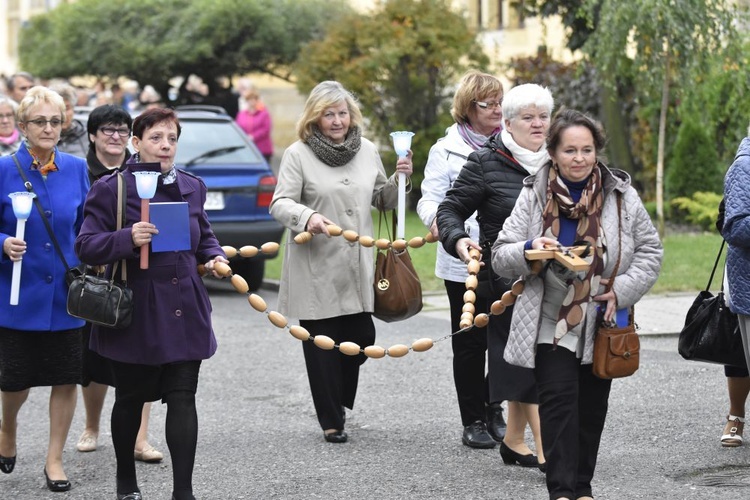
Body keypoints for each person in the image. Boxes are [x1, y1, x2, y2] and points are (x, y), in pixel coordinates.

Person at [492, 109, 662, 500]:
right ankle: (562, 491)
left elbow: (651, 251)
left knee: (590, 411)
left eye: (587, 150)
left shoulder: (621, 195)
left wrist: (621, 289)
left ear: (597, 151)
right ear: (552, 152)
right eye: (570, 150)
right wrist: (532, 248)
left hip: (603, 320)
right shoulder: (533, 193)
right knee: (558, 408)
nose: (579, 158)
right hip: (551, 320)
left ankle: (582, 488)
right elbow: (501, 254)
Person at [75, 107, 229, 500]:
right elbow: (85, 245)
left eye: (172, 139)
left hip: (185, 306)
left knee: (183, 395)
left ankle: (184, 492)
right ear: (136, 142)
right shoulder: (112, 188)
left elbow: (205, 235)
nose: (165, 146)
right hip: (137, 309)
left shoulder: (194, 185)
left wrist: (215, 258)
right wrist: (127, 238)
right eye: (156, 138)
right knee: (130, 397)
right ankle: (126, 481)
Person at [269, 80, 413, 444]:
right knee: (321, 344)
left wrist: (401, 178)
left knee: (362, 336)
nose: (337, 121)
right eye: (329, 114)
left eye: (343, 113)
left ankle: (339, 399)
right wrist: (307, 217)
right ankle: (331, 420)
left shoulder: (366, 149)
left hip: (358, 264)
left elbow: (382, 198)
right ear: (315, 118)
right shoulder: (297, 154)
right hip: (316, 263)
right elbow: (280, 202)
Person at [437, 83, 554, 466]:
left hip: (558, 280)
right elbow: (450, 209)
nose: (538, 124)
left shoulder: (560, 158)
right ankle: (549, 451)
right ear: (508, 122)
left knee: (530, 362)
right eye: (528, 117)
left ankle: (515, 441)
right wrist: (457, 241)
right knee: (531, 361)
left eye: (543, 116)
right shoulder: (486, 161)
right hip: (507, 280)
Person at [0, 86, 90, 492]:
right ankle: (7, 426)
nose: (49, 128)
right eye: (40, 121)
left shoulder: (76, 167)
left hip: (66, 297)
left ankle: (55, 459)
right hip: (17, 295)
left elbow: (87, 225)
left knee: (65, 378)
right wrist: (2, 243)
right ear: (22, 126)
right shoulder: (4, 169)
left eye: (56, 121)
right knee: (14, 381)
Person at [418, 70, 506, 449]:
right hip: (462, 260)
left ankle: (494, 404)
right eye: (491, 104)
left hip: (505, 257)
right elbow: (429, 199)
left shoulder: (511, 145)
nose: (499, 111)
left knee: (504, 337)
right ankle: (472, 418)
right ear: (469, 109)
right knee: (470, 342)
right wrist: (442, 224)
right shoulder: (445, 149)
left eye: (502, 102)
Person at [75, 105, 164, 464]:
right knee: (95, 360)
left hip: (137, 278)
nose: (115, 136)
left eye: (121, 129)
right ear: (93, 135)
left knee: (142, 360)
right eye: (107, 129)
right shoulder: (81, 173)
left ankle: (140, 438)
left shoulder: (141, 171)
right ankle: (92, 426)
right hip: (95, 278)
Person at [721, 128, 750, 448]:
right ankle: (736, 414)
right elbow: (737, 226)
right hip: (748, 284)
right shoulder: (745, 166)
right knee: (740, 354)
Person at [235, 78, 273, 163]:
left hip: (262, 148)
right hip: (248, 149)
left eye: (253, 100)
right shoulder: (241, 114)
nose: (251, 102)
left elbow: (266, 129)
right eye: (249, 100)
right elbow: (238, 127)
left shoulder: (264, 113)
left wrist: (253, 136)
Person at [49, 82, 88, 158]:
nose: (63, 114)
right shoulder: (41, 137)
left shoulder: (88, 136)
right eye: (58, 109)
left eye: (67, 108)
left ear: (73, 109)